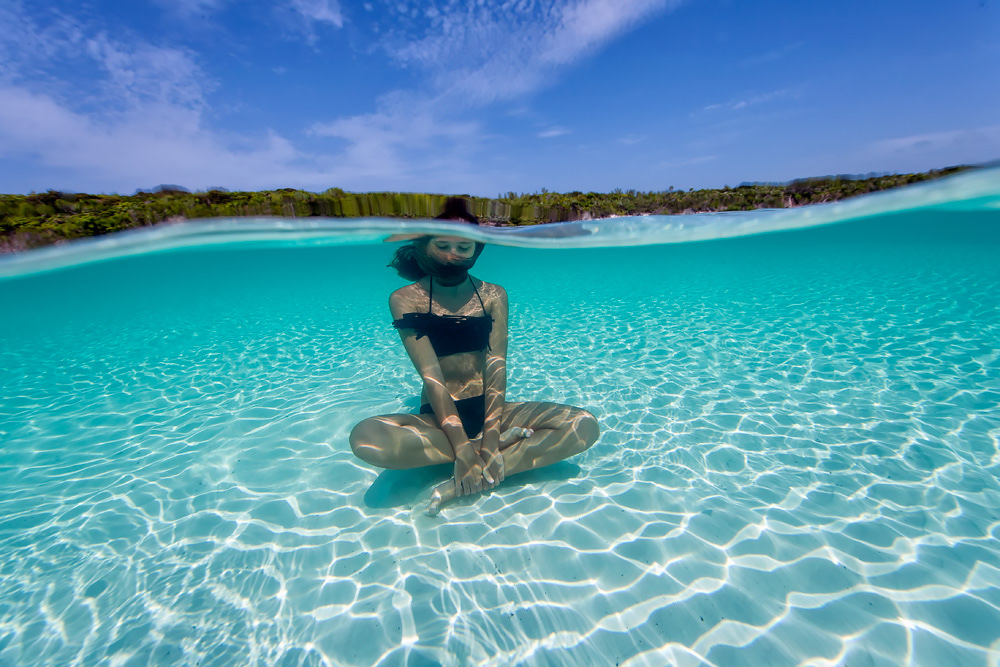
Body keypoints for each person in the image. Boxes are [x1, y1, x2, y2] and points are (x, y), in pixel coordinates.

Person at [349, 198, 599, 515]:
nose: (452, 254)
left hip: (489, 409)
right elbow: (431, 375)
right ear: (426, 245)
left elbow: (497, 366)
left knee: (583, 425)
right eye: (443, 245)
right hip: (439, 417)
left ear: (477, 249)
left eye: (463, 247)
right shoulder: (405, 298)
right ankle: (483, 458)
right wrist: (464, 447)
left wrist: (492, 438)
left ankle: (469, 478)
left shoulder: (494, 295)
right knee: (366, 438)